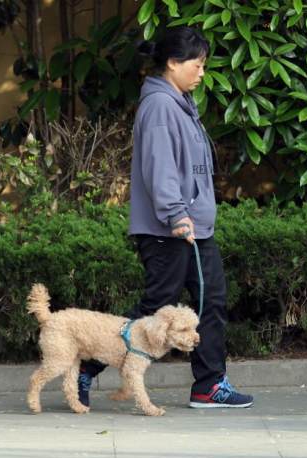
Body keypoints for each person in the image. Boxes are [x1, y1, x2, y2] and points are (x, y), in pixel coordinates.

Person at [78, 26, 254, 409]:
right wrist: (175, 214)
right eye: (198, 64)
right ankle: (85, 368)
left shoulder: (179, 103)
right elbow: (160, 169)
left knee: (212, 303)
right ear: (173, 63)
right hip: (170, 229)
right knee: (152, 310)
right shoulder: (160, 106)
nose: (202, 72)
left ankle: (209, 386)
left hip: (194, 228)